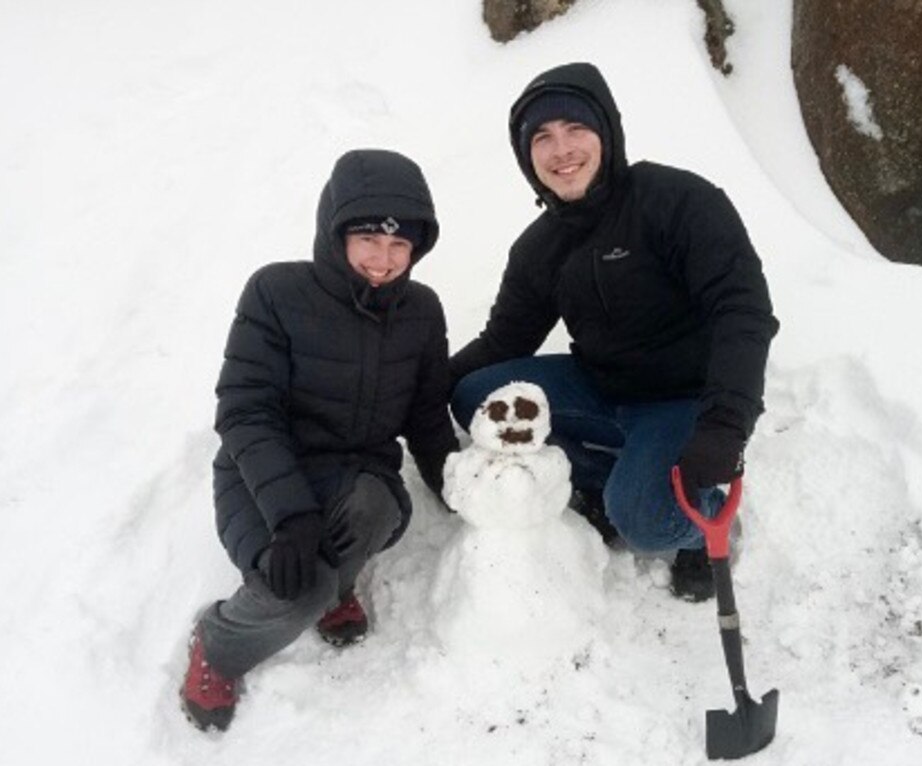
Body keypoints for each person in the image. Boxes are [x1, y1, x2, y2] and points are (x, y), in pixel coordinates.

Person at [449, 62, 778, 602]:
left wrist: (725, 424)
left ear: (606, 133)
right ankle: (607, 481)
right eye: (543, 138)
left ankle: (699, 521)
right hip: (600, 385)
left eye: (576, 129)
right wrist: (420, 387)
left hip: (682, 399)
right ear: (526, 156)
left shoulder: (677, 201)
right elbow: (503, 342)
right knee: (479, 398)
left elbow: (742, 312)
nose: (562, 150)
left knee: (645, 525)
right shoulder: (540, 247)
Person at [180, 149, 458, 732]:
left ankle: (337, 587)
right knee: (294, 593)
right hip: (261, 478)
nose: (383, 260)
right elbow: (245, 412)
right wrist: (290, 515)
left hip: (356, 477)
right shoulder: (276, 293)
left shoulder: (422, 311)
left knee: (375, 506)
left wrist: (459, 485)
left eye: (400, 245)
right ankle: (219, 641)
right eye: (368, 240)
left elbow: (428, 417)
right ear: (335, 232)